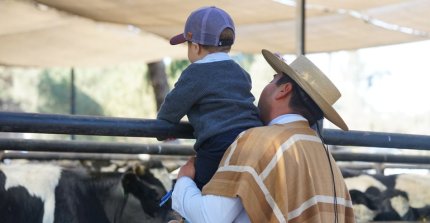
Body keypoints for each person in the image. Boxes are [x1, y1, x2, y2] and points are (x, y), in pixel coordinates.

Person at [171, 49, 356, 222]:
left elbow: (210, 217)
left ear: (284, 90)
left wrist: (184, 181)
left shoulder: (260, 141)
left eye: (273, 79)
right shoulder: (325, 157)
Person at [157, 6, 262, 190]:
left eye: (187, 45)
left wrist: (162, 129)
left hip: (218, 146)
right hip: (252, 141)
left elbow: (172, 108)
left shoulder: (195, 73)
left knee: (199, 192)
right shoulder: (240, 73)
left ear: (196, 47)